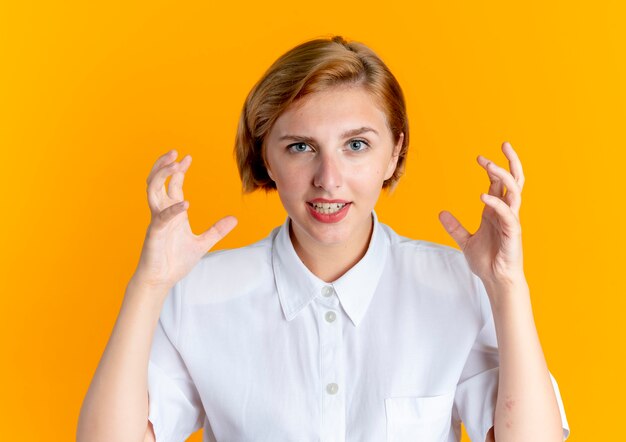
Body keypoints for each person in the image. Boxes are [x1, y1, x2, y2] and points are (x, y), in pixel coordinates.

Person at [77, 35, 570, 442]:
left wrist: (507, 287)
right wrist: (148, 286)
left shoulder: (459, 286)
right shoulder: (197, 294)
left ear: (394, 153)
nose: (328, 179)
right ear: (266, 157)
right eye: (300, 147)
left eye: (356, 145)